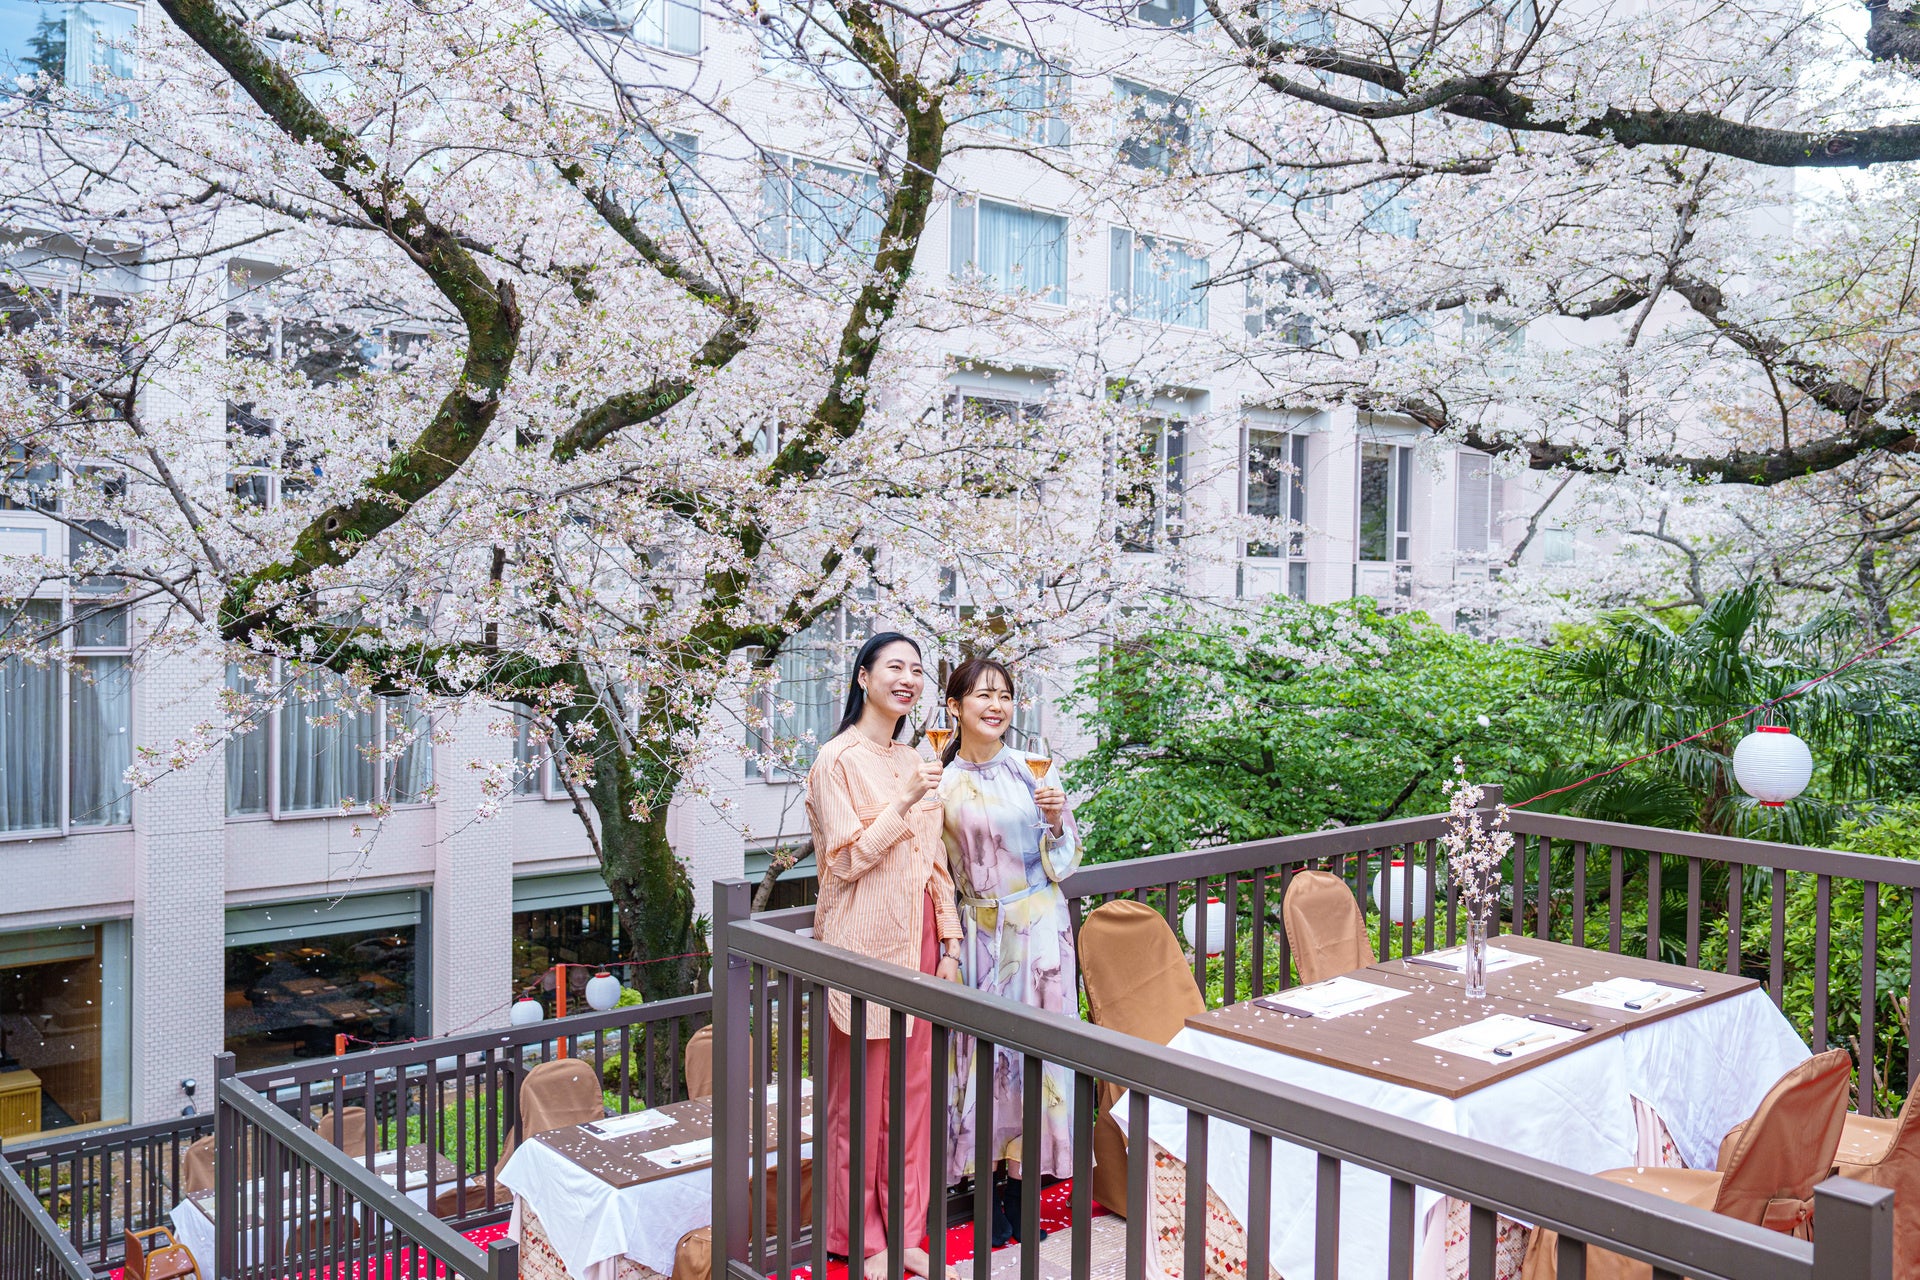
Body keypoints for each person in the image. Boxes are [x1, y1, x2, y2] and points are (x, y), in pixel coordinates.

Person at [805, 632, 964, 1280]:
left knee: (914, 1095)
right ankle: (859, 1238)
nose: (908, 679)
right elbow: (845, 862)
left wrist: (950, 941)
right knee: (860, 1100)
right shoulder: (836, 760)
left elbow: (935, 860)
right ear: (863, 676)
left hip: (919, 939)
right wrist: (902, 802)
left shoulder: (914, 757)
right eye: (894, 667)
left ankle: (908, 1233)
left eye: (917, 670)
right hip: (861, 946)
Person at [936, 657, 1080, 1247]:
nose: (996, 706)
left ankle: (1024, 1196)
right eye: (982, 695)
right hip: (978, 934)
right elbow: (934, 870)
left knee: (1036, 1059)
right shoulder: (938, 781)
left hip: (1040, 930)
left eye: (1004, 695)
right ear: (955, 707)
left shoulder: (1030, 769)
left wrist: (1056, 820)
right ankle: (985, 1198)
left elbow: (1064, 862)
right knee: (981, 1059)